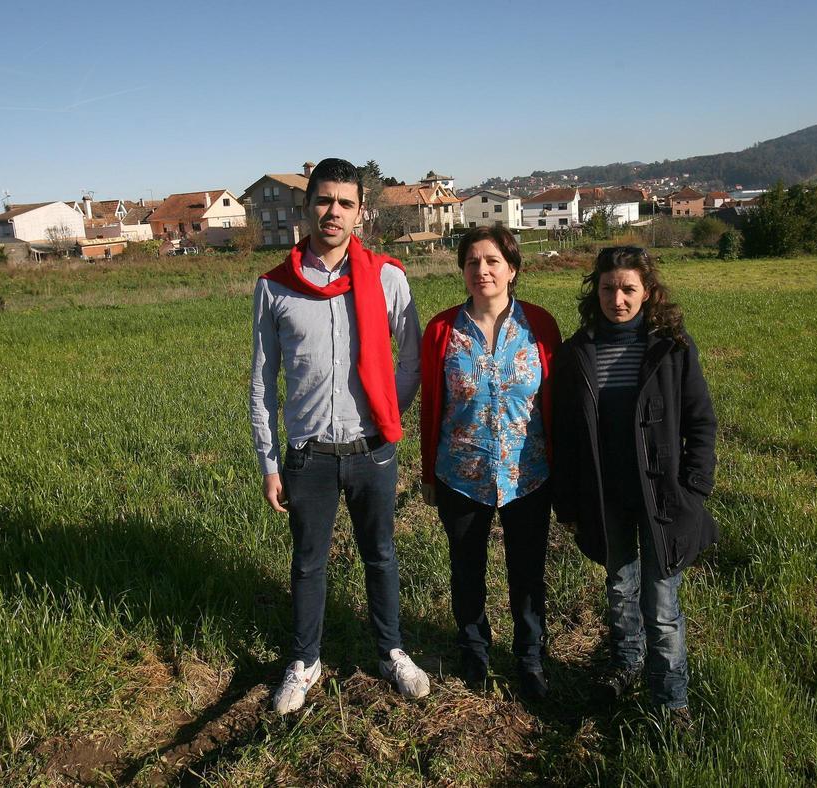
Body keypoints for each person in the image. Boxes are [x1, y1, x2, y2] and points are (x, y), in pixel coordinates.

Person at [250, 157, 429, 715]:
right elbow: (261, 380)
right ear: (308, 208)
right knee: (307, 562)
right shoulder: (275, 287)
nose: (333, 211)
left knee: (381, 555)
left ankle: (392, 650)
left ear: (361, 212)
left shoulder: (385, 278)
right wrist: (268, 463)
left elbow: (412, 357)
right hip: (308, 457)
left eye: (345, 203)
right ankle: (305, 661)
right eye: (324, 200)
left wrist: (388, 418)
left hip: (372, 451)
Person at [552, 246, 717, 728]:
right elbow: (565, 434)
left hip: (663, 496)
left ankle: (672, 699)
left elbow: (700, 422)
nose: (618, 299)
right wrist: (570, 499)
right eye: (608, 288)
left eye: (628, 289)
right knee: (620, 589)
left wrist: (695, 489)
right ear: (595, 290)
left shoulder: (671, 347)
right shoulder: (577, 352)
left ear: (647, 291)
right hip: (607, 495)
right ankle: (626, 666)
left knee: (662, 603)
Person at [419, 226, 562, 699]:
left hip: (529, 474)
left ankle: (529, 657)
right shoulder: (442, 330)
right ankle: (475, 652)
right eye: (472, 262)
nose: (482, 270)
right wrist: (427, 474)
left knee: (527, 571)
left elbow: (555, 402)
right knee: (466, 570)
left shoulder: (540, 325)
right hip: (461, 475)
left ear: (512, 269)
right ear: (462, 270)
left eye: (492, 261)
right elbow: (432, 408)